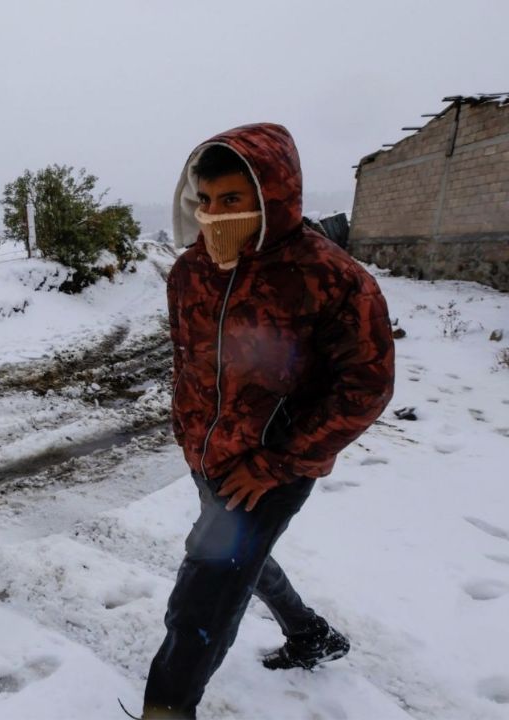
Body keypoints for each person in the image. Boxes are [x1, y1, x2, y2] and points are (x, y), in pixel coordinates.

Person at [142, 123, 396, 718]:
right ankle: (310, 634)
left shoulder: (329, 277)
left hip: (274, 467)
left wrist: (277, 462)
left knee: (200, 599)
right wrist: (189, 432)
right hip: (208, 457)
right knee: (241, 558)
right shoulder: (190, 271)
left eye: (232, 199)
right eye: (206, 200)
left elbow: (366, 385)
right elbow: (189, 362)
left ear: (272, 196)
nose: (214, 216)